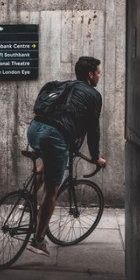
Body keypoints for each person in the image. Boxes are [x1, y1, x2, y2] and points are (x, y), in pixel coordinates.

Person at [26, 56, 106, 256]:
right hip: (54, 136)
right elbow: (93, 131)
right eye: (98, 72)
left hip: (35, 129)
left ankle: (25, 202)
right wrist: (96, 157)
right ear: (90, 74)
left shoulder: (64, 85)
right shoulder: (93, 95)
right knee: (52, 190)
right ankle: (38, 240)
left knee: (47, 163)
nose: (99, 76)